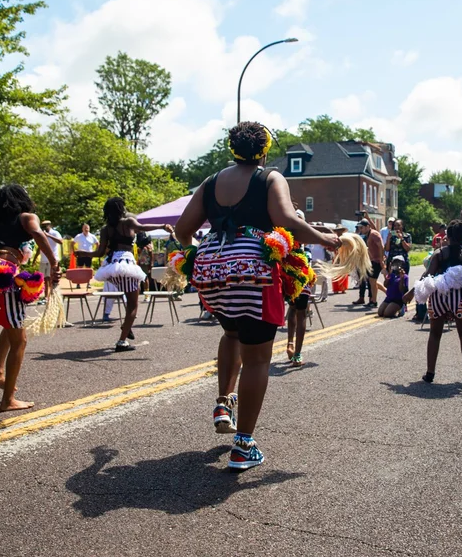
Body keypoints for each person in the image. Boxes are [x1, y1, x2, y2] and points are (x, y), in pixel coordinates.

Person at [174, 121, 339, 470]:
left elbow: (183, 231)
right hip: (254, 274)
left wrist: (200, 258)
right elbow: (285, 219)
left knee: (231, 333)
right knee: (258, 358)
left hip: (213, 275)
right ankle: (243, 445)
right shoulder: (270, 177)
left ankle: (223, 403)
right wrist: (324, 239)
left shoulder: (211, 182)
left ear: (232, 150)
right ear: (263, 150)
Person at [0, 184, 61, 411]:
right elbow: (36, 233)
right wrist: (54, 263)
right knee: (20, 339)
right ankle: (7, 400)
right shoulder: (27, 217)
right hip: (5, 276)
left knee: (10, 326)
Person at [76, 198, 172, 351]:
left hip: (111, 266)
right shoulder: (128, 222)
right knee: (133, 305)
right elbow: (143, 227)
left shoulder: (105, 229)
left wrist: (83, 253)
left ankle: (128, 326)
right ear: (121, 208)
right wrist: (162, 226)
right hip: (126, 265)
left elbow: (100, 252)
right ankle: (122, 341)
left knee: (128, 300)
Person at [407, 219, 462, 385]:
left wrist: (410, 294)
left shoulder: (439, 253)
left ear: (447, 236)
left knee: (435, 334)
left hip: (439, 297)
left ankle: (430, 373)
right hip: (460, 299)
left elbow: (427, 275)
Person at [353, 218, 383, 308]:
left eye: (362, 228)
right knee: (372, 281)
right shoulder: (367, 235)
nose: (360, 230)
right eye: (360, 228)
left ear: (367, 227)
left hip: (376, 261)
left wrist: (381, 261)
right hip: (371, 261)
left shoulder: (374, 234)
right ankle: (373, 300)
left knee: (373, 282)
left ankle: (374, 301)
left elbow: (381, 247)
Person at [39, 220, 63, 303]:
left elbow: (61, 241)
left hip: (52, 259)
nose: (44, 227)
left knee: (52, 278)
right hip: (43, 259)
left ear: (50, 225)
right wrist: (35, 259)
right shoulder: (41, 233)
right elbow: (40, 246)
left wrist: (48, 235)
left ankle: (53, 296)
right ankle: (46, 297)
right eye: (43, 226)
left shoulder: (55, 233)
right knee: (45, 279)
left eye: (46, 225)